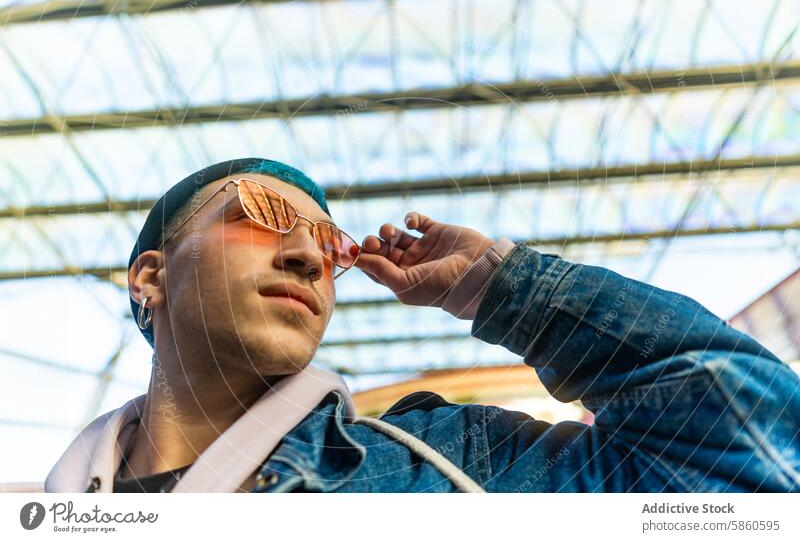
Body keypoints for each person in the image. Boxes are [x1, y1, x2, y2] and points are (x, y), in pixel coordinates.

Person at [45, 157, 800, 493]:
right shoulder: (52, 508)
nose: (310, 255)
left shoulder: (449, 464)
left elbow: (754, 467)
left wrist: (505, 289)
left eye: (330, 244)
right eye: (266, 215)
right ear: (151, 276)